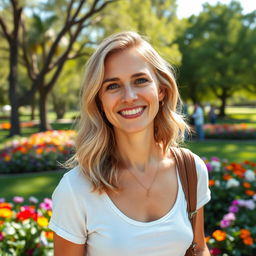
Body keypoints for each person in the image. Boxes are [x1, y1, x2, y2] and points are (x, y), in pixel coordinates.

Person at [49, 31, 211, 256]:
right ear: (100, 100)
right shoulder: (76, 188)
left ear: (161, 91)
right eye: (113, 86)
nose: (129, 96)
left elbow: (199, 248)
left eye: (140, 80)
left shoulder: (190, 170)